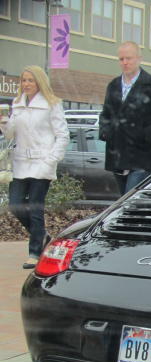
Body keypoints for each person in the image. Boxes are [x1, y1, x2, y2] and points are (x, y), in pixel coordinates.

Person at [0, 65, 69, 269]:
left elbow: (63, 135)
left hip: (42, 162)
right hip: (20, 162)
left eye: (30, 80)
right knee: (15, 205)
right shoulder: (17, 103)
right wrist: (4, 123)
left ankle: (35, 252)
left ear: (39, 81)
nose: (26, 84)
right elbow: (11, 135)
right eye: (23, 80)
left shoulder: (52, 104)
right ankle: (42, 236)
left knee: (35, 208)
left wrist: (51, 159)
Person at [99, 41, 151, 195]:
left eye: (129, 58)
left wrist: (145, 135)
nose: (125, 62)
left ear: (139, 59)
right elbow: (106, 114)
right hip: (117, 156)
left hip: (142, 157)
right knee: (123, 204)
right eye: (121, 59)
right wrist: (105, 131)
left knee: (130, 202)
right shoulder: (113, 85)